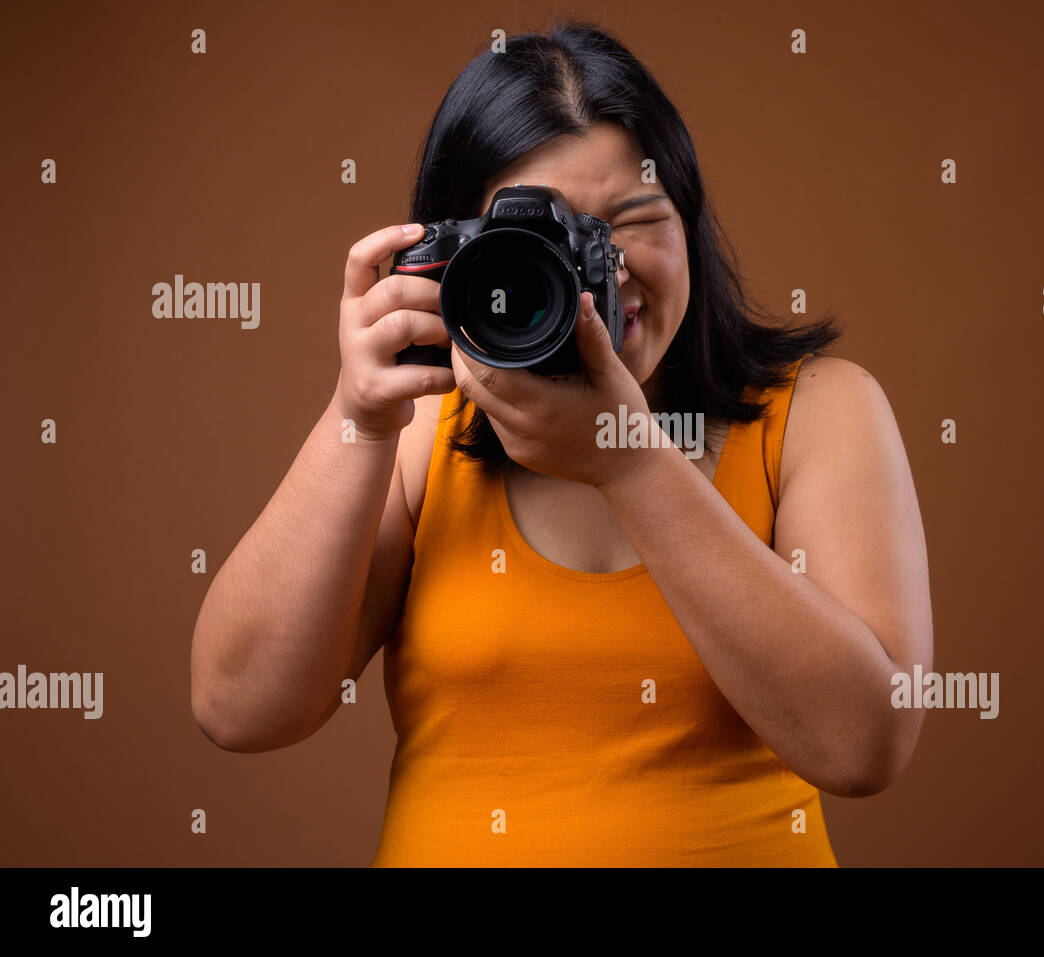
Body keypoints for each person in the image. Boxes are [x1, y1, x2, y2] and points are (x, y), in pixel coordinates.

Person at [191, 20, 933, 867]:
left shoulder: (816, 411)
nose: (602, 273)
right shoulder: (422, 430)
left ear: (690, 222)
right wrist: (358, 419)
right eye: (549, 243)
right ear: (453, 259)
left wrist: (627, 459)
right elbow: (237, 707)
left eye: (635, 220)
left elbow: (865, 743)